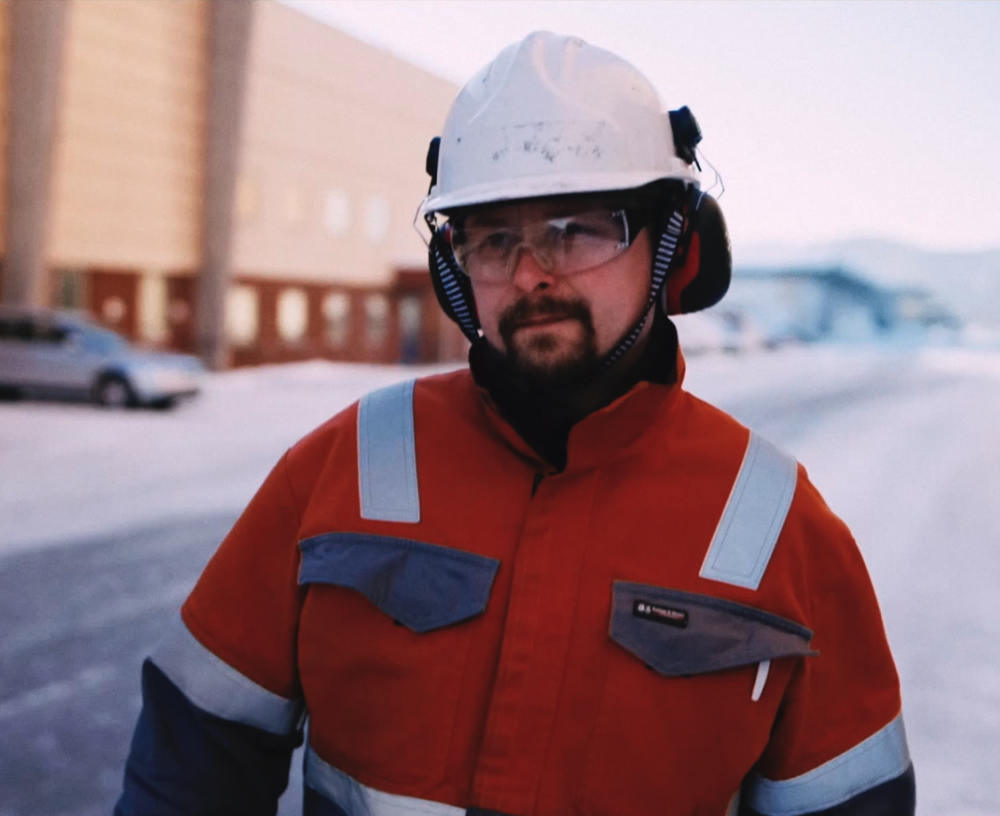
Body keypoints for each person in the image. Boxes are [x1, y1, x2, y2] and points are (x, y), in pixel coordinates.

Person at [117, 31, 913, 816]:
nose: (533, 273)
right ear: (453, 266)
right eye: (494, 239)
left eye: (580, 229)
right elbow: (194, 755)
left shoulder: (780, 524)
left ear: (670, 245)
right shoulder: (343, 466)